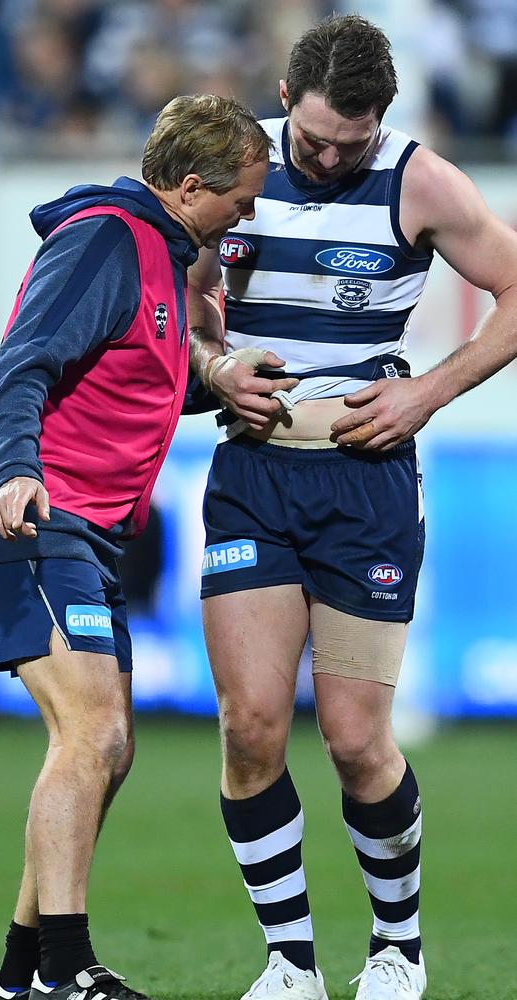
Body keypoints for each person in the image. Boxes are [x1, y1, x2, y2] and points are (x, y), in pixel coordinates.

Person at [187, 14, 517, 1000]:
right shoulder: (227, 166)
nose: (332, 157)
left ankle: (395, 947)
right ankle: (290, 963)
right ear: (284, 101)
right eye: (316, 138)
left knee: (352, 737)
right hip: (252, 467)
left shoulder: (417, 181)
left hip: (365, 477)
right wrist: (212, 366)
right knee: (249, 727)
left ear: (383, 118)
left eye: (353, 140)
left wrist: (426, 390)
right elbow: (177, 297)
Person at [0, 93, 270, 1000]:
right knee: (92, 731)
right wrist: (16, 466)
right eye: (239, 201)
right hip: (29, 512)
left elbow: (137, 375)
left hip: (85, 532)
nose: (244, 217)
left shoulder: (161, 258)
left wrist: (222, 387)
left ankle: (23, 971)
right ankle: (65, 967)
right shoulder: (104, 240)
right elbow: (24, 360)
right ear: (193, 185)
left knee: (106, 748)